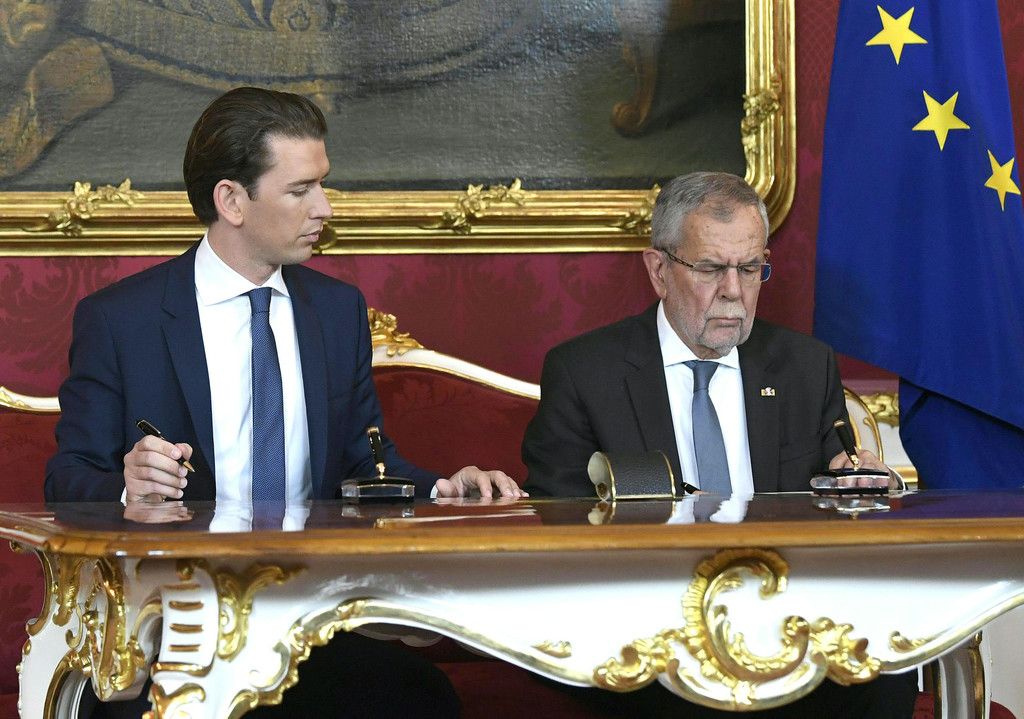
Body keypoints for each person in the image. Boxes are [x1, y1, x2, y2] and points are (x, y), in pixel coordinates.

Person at [47, 86, 524, 718]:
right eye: (301, 190)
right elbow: (67, 478)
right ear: (231, 200)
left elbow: (364, 464)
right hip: (170, 629)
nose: (324, 207)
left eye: (322, 184)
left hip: (311, 623)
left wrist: (443, 489)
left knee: (421, 698)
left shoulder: (336, 310)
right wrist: (127, 487)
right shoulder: (120, 320)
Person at [521, 171, 916, 718]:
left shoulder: (804, 367)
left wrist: (864, 489)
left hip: (785, 621)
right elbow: (557, 526)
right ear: (659, 270)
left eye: (750, 269)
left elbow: (840, 488)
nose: (734, 290)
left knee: (884, 671)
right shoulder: (586, 372)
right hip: (648, 631)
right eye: (710, 268)